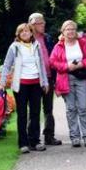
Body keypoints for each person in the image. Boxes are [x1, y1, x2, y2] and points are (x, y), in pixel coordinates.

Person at [0, 23, 50, 154]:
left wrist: (45, 82)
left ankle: (35, 141)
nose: (25, 33)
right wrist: (2, 82)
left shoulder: (36, 45)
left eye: (27, 31)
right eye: (22, 32)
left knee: (35, 113)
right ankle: (23, 143)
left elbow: (42, 65)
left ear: (31, 33)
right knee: (22, 114)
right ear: (19, 34)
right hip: (21, 85)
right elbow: (6, 66)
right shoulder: (14, 47)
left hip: (36, 84)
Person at [50, 20, 86, 147]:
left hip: (81, 78)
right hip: (66, 79)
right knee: (71, 109)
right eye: (67, 29)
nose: (70, 31)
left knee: (83, 108)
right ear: (63, 32)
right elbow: (52, 62)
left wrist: (82, 64)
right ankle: (75, 137)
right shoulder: (58, 46)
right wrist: (67, 66)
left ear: (75, 31)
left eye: (72, 29)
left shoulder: (82, 43)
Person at [28, 12, 61, 146]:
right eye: (40, 23)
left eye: (43, 22)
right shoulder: (26, 39)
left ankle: (49, 136)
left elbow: (53, 55)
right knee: (34, 110)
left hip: (48, 78)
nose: (43, 25)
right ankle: (33, 139)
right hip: (33, 80)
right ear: (32, 24)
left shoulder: (47, 38)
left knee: (48, 109)